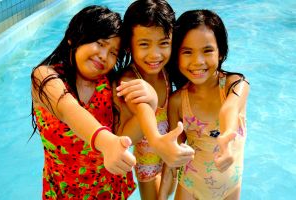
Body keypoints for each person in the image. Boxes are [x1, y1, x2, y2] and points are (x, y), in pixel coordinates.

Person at [31, 5, 157, 199]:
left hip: (108, 190)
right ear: (73, 37)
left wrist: (151, 103)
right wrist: (106, 143)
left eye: (113, 52)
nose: (104, 56)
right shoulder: (45, 77)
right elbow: (68, 109)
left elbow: (125, 136)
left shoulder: (111, 87)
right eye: (99, 43)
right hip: (64, 191)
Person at [159, 10, 250, 200]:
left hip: (230, 188)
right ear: (176, 56)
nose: (197, 61)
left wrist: (226, 137)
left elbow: (230, 109)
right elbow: (173, 156)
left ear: (221, 52)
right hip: (190, 187)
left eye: (207, 50)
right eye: (187, 52)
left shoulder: (236, 85)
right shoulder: (178, 101)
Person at [113, 1, 195, 199]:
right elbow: (142, 109)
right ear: (129, 46)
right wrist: (158, 143)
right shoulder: (129, 80)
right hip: (147, 163)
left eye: (163, 43)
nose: (155, 54)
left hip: (169, 156)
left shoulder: (166, 72)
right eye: (144, 44)